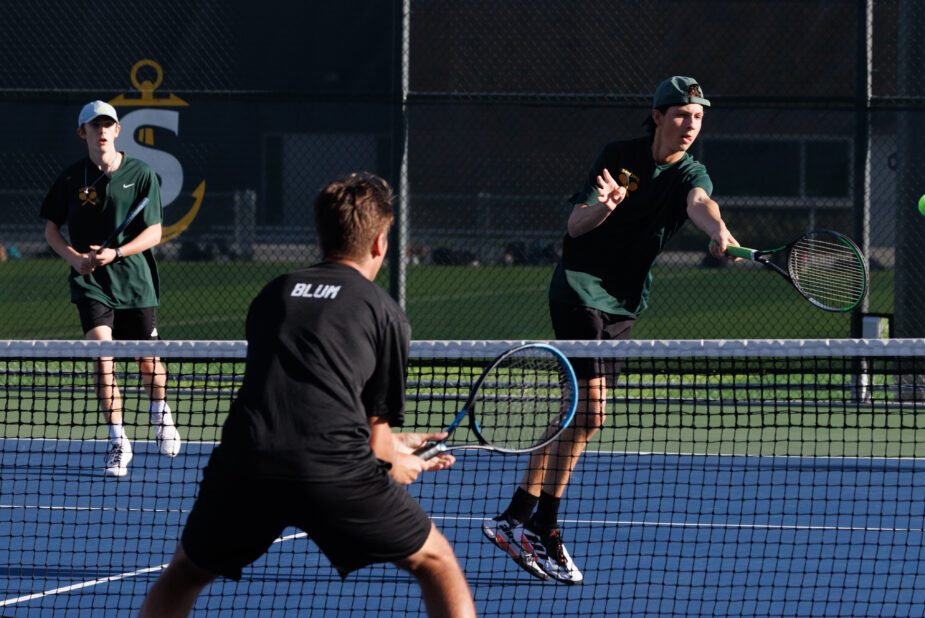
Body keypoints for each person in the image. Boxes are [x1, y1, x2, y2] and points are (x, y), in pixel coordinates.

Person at [137, 173, 476, 618]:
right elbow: (374, 443)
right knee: (437, 562)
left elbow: (301, 393)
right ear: (380, 243)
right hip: (333, 470)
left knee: (183, 574)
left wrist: (397, 439)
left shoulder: (272, 295)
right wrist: (398, 460)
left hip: (248, 463)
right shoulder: (386, 312)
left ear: (322, 233)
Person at [482, 76, 740, 584]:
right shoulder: (617, 154)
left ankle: (516, 515)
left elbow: (698, 204)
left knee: (573, 412)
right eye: (683, 115)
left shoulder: (692, 171)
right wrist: (609, 204)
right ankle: (544, 527)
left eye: (699, 117)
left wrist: (719, 230)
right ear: (659, 116)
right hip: (578, 289)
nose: (691, 125)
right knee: (592, 410)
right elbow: (575, 227)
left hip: (622, 305)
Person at [40, 100, 180, 477]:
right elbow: (51, 229)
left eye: (108, 125)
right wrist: (74, 259)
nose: (102, 131)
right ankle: (119, 441)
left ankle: (160, 412)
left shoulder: (142, 174)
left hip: (135, 282)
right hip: (91, 285)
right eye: (94, 125)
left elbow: (154, 232)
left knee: (147, 362)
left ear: (117, 131)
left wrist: (115, 252)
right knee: (104, 360)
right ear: (82, 133)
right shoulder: (71, 179)